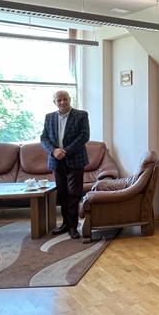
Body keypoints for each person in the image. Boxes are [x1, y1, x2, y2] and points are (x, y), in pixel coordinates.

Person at [40, 90, 90, 239]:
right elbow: (44, 138)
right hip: (56, 160)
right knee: (62, 194)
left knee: (74, 193)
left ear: (69, 99)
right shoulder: (49, 117)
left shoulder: (81, 115)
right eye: (59, 100)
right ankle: (65, 224)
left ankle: (73, 226)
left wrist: (65, 151)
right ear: (54, 102)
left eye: (65, 99)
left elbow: (84, 136)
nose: (62, 102)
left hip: (75, 159)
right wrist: (54, 151)